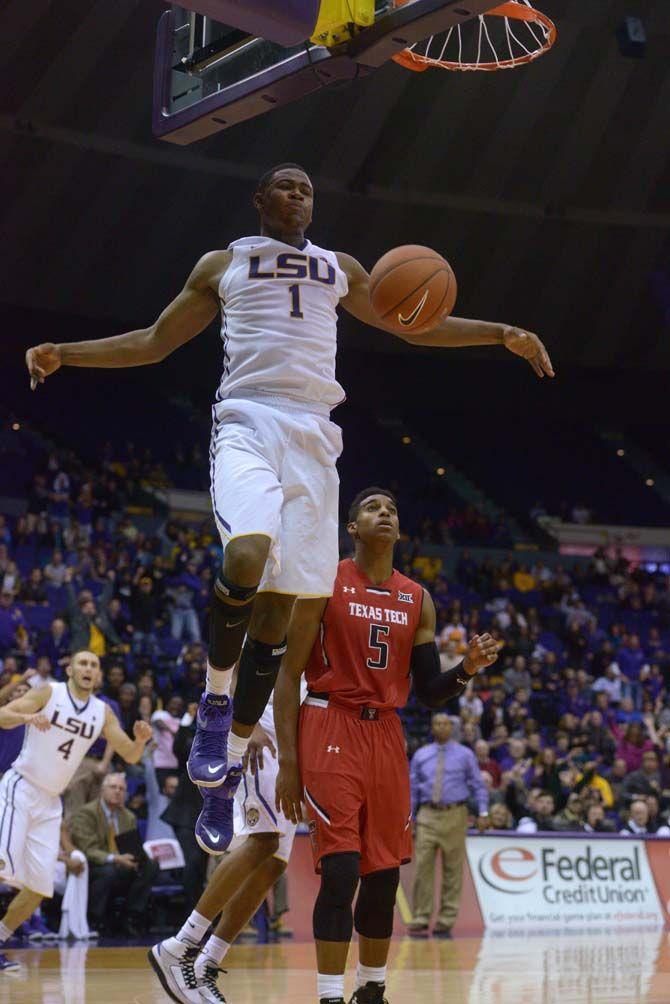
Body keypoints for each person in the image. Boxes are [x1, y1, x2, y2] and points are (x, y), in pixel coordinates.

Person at [26, 164, 553, 855]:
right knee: (245, 553)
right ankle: (217, 703)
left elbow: (416, 325)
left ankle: (224, 774)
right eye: (285, 186)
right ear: (260, 201)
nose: (298, 195)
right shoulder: (226, 262)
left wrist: (501, 333)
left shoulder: (340, 268)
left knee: (280, 617)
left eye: (307, 188)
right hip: (248, 422)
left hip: (315, 439)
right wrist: (66, 353)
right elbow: (155, 341)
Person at [273, 487, 498, 1004]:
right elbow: (289, 675)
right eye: (373, 508)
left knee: (381, 875)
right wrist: (289, 762)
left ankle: (371, 990)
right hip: (330, 723)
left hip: (386, 734)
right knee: (343, 869)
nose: (385, 514)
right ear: (352, 527)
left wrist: (465, 670)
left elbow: (428, 693)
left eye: (393, 509)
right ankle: (330, 994)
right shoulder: (323, 580)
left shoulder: (417, 598)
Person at [148, 679, 307, 1004]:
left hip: (292, 747)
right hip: (260, 736)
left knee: (274, 863)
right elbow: (232, 668)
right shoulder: (270, 627)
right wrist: (244, 725)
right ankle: (179, 946)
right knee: (262, 841)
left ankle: (208, 962)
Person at [0, 650, 152, 972]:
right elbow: (3, 716)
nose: (89, 669)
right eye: (83, 663)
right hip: (21, 787)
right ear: (70, 669)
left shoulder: (103, 712)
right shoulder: (49, 692)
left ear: (98, 676)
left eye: (94, 665)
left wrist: (139, 741)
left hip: (51, 802)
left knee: (39, 888)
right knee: (2, 867)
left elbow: (130, 754)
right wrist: (29, 718)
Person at [408, 713, 489, 938]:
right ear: (432, 727)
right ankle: (421, 917)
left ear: (452, 728)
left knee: (452, 869)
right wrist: (410, 816)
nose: (442, 727)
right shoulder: (421, 755)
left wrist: (483, 812)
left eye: (446, 724)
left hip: (455, 813)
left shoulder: (465, 755)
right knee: (423, 867)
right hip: (427, 814)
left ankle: (446, 920)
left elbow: (477, 784)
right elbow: (412, 788)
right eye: (437, 723)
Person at [69, 773, 159, 937]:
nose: (117, 792)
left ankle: (130, 916)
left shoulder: (128, 816)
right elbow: (88, 849)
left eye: (122, 789)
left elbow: (132, 847)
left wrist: (139, 858)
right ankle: (95, 919)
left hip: (122, 866)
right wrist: (116, 859)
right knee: (109, 871)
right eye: (113, 787)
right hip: (93, 866)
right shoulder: (86, 813)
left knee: (151, 865)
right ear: (102, 790)